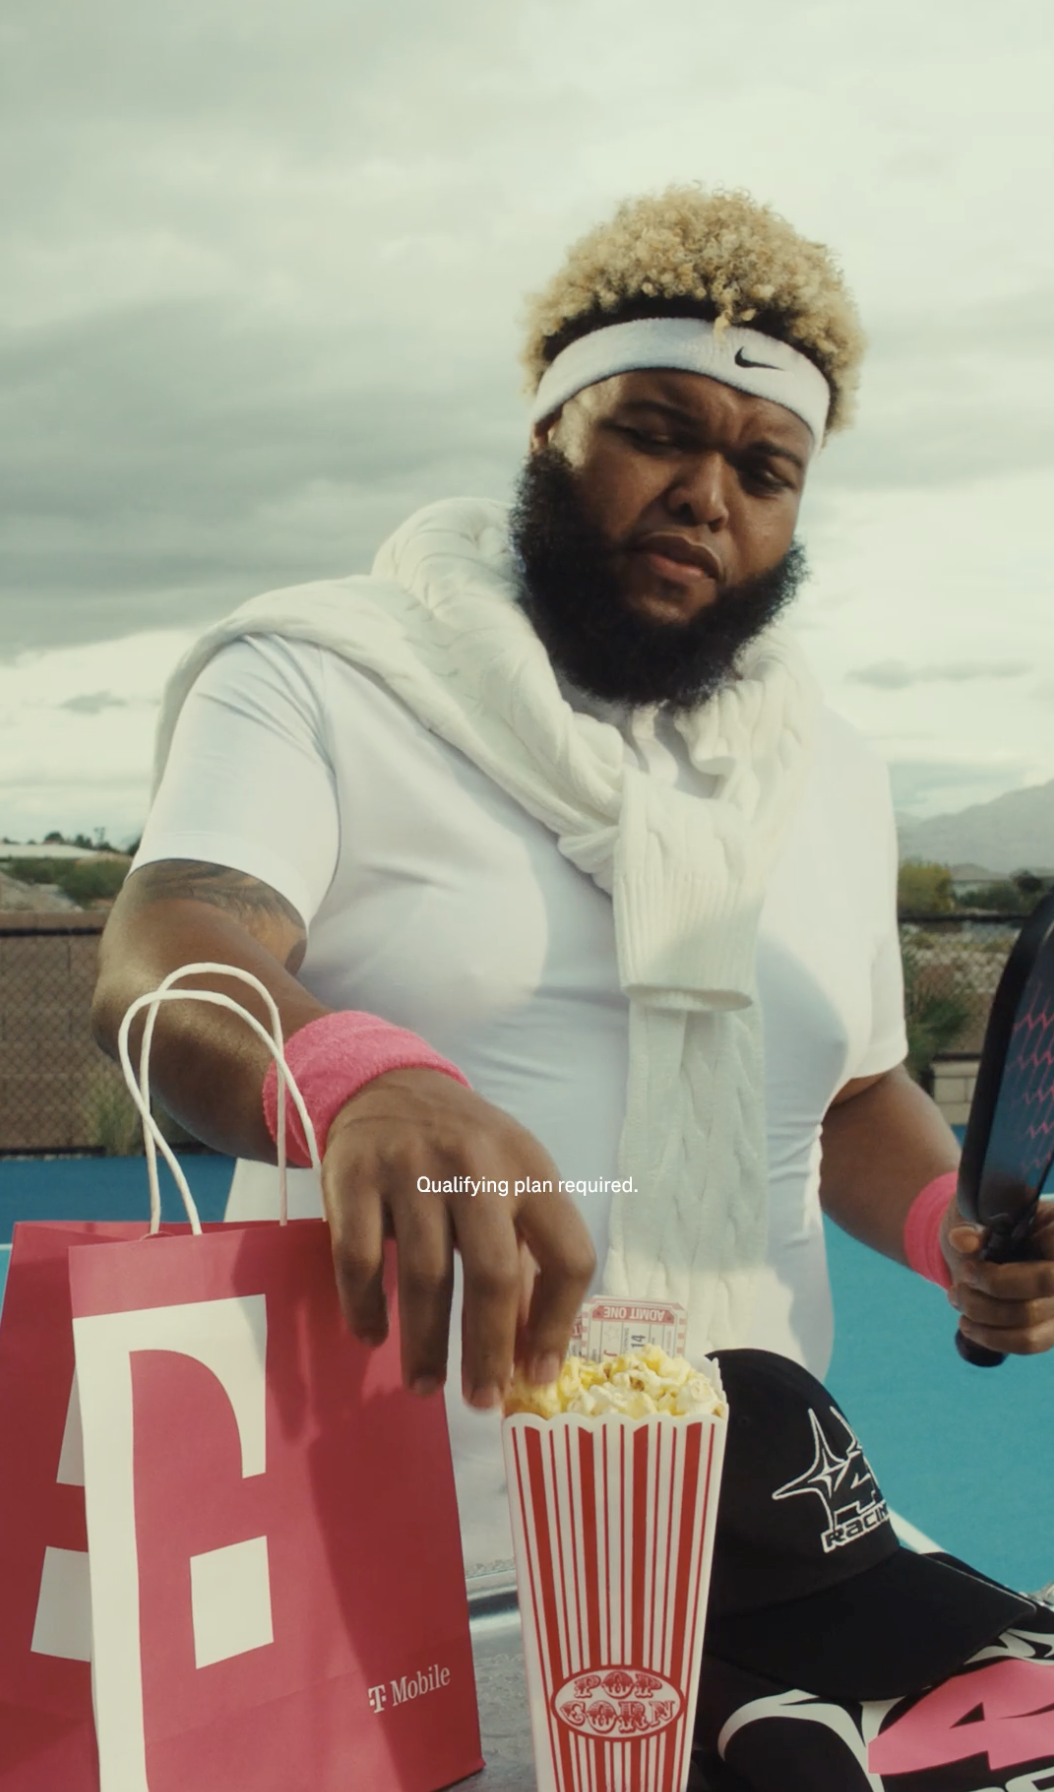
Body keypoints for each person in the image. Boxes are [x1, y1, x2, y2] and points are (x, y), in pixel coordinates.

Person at [92, 185, 1054, 1572]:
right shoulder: (321, 672)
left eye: (765, 470)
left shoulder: (827, 765)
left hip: (754, 1528)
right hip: (375, 1561)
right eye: (656, 433)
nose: (706, 495)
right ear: (552, 431)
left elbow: (845, 1091)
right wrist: (367, 1078)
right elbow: (165, 944)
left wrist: (945, 1227)